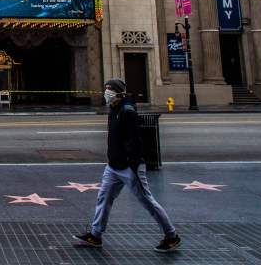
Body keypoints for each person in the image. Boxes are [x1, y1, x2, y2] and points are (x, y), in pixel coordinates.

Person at [74, 78, 181, 252]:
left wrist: (132, 164)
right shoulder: (113, 109)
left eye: (109, 89)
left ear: (118, 92)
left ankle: (171, 236)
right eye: (105, 89)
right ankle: (95, 235)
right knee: (104, 197)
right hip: (113, 166)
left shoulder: (128, 111)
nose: (106, 92)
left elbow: (136, 142)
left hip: (129, 167)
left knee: (147, 201)